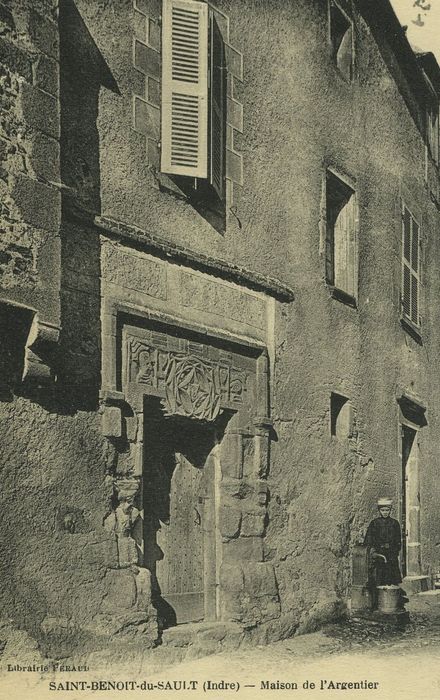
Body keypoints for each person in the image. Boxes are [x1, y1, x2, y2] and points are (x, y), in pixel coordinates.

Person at [364, 497, 402, 608]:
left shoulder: (395, 524)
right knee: (378, 578)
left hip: (391, 555)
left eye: (387, 510)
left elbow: (398, 540)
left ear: (390, 510)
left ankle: (392, 601)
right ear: (379, 511)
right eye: (383, 510)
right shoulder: (374, 523)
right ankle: (377, 602)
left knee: (391, 578)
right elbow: (369, 539)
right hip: (379, 555)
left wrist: (393, 549)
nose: (385, 512)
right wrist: (374, 550)